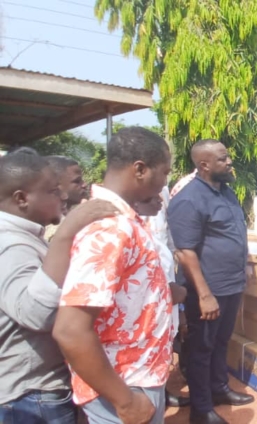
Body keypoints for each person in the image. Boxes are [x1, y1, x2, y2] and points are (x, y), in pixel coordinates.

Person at [52, 126, 174, 424]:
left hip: (140, 375)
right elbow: (70, 331)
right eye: (164, 172)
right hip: (125, 385)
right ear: (140, 170)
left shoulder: (125, 219)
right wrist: (126, 401)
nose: (165, 181)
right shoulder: (109, 229)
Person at [0, 152, 117, 424]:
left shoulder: (25, 236)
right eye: (53, 191)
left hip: (36, 390)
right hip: (31, 394)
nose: (63, 196)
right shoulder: (10, 245)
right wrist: (67, 232)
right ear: (21, 198)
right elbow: (37, 314)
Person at [168, 140, 252, 424]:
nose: (229, 162)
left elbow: (235, 232)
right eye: (222, 159)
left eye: (227, 157)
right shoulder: (189, 199)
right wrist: (204, 295)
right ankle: (201, 409)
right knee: (201, 349)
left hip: (231, 284)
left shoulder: (225, 192)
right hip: (207, 289)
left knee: (221, 341)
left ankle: (219, 388)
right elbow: (185, 252)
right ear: (204, 165)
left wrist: (246, 265)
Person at [134, 189, 191, 409]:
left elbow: (169, 246)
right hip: (146, 306)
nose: (161, 200)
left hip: (167, 293)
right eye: (153, 196)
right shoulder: (126, 226)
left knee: (164, 346)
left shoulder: (160, 198)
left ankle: (162, 393)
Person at [44, 156, 89, 241]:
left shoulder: (69, 221)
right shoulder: (57, 230)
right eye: (77, 181)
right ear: (57, 186)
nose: (84, 185)